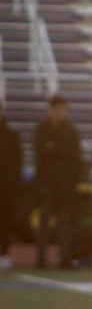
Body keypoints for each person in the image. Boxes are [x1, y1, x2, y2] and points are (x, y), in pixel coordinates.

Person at [34, 95, 82, 269]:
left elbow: (74, 155)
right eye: (55, 109)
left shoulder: (70, 130)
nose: (58, 113)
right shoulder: (42, 128)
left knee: (64, 224)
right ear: (50, 109)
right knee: (44, 222)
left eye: (61, 109)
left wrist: (54, 147)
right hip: (47, 185)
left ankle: (65, 257)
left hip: (65, 185)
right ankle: (40, 257)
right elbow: (40, 151)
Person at [0, 100, 24, 270]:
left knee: (5, 222)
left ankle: (3, 254)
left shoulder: (12, 136)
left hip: (6, 188)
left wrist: (14, 185)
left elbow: (18, 162)